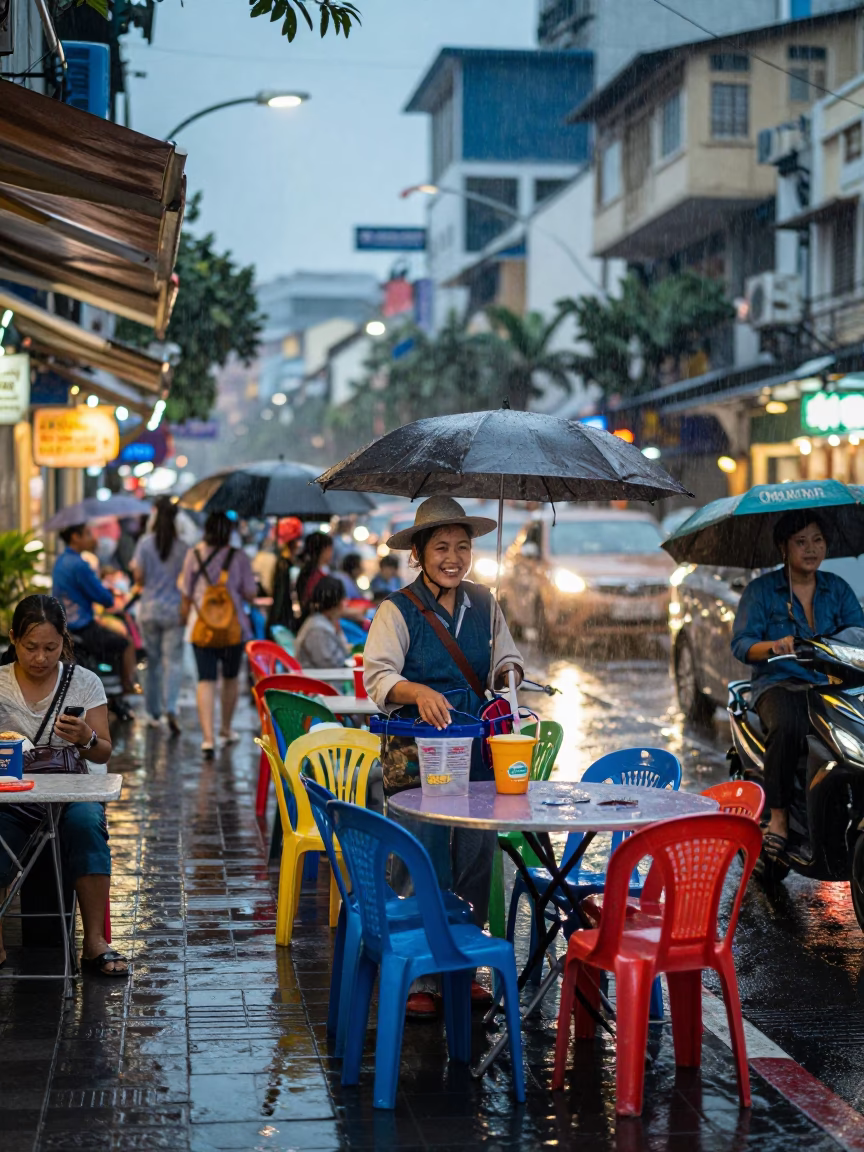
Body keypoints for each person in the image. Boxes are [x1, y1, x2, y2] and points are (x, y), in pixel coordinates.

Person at [363, 496, 524, 1018]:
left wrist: (508, 677)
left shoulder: (486, 603)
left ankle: (463, 965)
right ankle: (419, 973)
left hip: (476, 747)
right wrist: (416, 692)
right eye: (441, 548)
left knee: (477, 856)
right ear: (418, 553)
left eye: (462, 547)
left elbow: (509, 659)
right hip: (415, 753)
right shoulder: (397, 608)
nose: (453, 558)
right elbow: (377, 677)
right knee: (421, 855)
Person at [0, 595, 126, 976]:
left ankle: (94, 942)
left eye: (51, 648)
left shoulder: (84, 683)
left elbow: (102, 753)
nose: (40, 658)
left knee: (87, 826)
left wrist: (86, 737)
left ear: (64, 642)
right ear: (13, 639)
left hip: (72, 792)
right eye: (30, 647)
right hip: (13, 796)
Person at [731, 510, 864, 859]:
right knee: (790, 727)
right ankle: (779, 817)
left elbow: (857, 633)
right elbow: (742, 645)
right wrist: (775, 646)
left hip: (831, 685)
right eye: (801, 541)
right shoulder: (761, 591)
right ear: (783, 547)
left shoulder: (838, 588)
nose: (811, 549)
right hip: (779, 684)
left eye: (817, 540)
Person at [180, 511, 257, 759]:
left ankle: (208, 739)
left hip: (201, 627)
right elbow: (250, 593)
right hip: (233, 628)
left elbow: (186, 592)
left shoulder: (193, 555)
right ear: (229, 532)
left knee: (206, 679)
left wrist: (186, 619)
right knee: (231, 677)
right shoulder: (239, 557)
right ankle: (225, 729)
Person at [52, 522, 139, 695]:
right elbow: (104, 598)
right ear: (75, 537)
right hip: (82, 627)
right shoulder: (79, 565)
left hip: (66, 625)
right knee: (126, 644)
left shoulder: (61, 561)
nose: (93, 539)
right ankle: (127, 687)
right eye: (88, 534)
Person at [131, 497, 189, 735]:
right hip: (173, 610)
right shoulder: (183, 547)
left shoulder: (145, 544)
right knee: (172, 663)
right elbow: (186, 583)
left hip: (149, 610)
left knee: (152, 663)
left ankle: (153, 712)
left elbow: (139, 579)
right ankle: (171, 707)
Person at [294, 576, 352, 669]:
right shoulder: (318, 629)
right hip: (318, 681)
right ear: (339, 602)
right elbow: (331, 664)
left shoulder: (327, 622)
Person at [267, 517, 305, 636]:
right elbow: (280, 595)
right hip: (284, 622)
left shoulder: (289, 562)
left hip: (285, 619)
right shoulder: (284, 565)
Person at [295, 532, 334, 627]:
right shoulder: (314, 575)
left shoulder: (309, 571)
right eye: (330, 549)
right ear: (324, 550)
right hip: (315, 624)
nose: (332, 553)